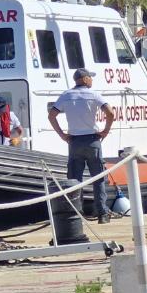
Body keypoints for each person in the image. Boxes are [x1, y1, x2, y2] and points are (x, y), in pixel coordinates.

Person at [48, 68, 116, 224]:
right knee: (98, 179)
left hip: (74, 142)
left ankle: (76, 213)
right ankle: (102, 214)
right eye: (90, 78)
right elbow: (110, 113)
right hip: (92, 141)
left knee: (74, 180)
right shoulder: (94, 95)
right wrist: (105, 131)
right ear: (85, 80)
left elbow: (51, 115)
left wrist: (61, 134)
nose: (92, 80)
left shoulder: (66, 95)